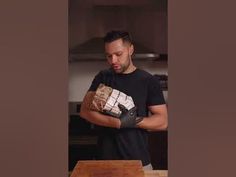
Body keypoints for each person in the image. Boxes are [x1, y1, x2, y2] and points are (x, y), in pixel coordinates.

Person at [80, 30, 168, 170]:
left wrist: (134, 121)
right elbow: (85, 111)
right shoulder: (103, 77)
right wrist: (118, 123)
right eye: (109, 56)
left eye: (118, 54)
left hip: (138, 162)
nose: (113, 60)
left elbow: (163, 121)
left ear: (130, 50)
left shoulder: (148, 81)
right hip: (105, 162)